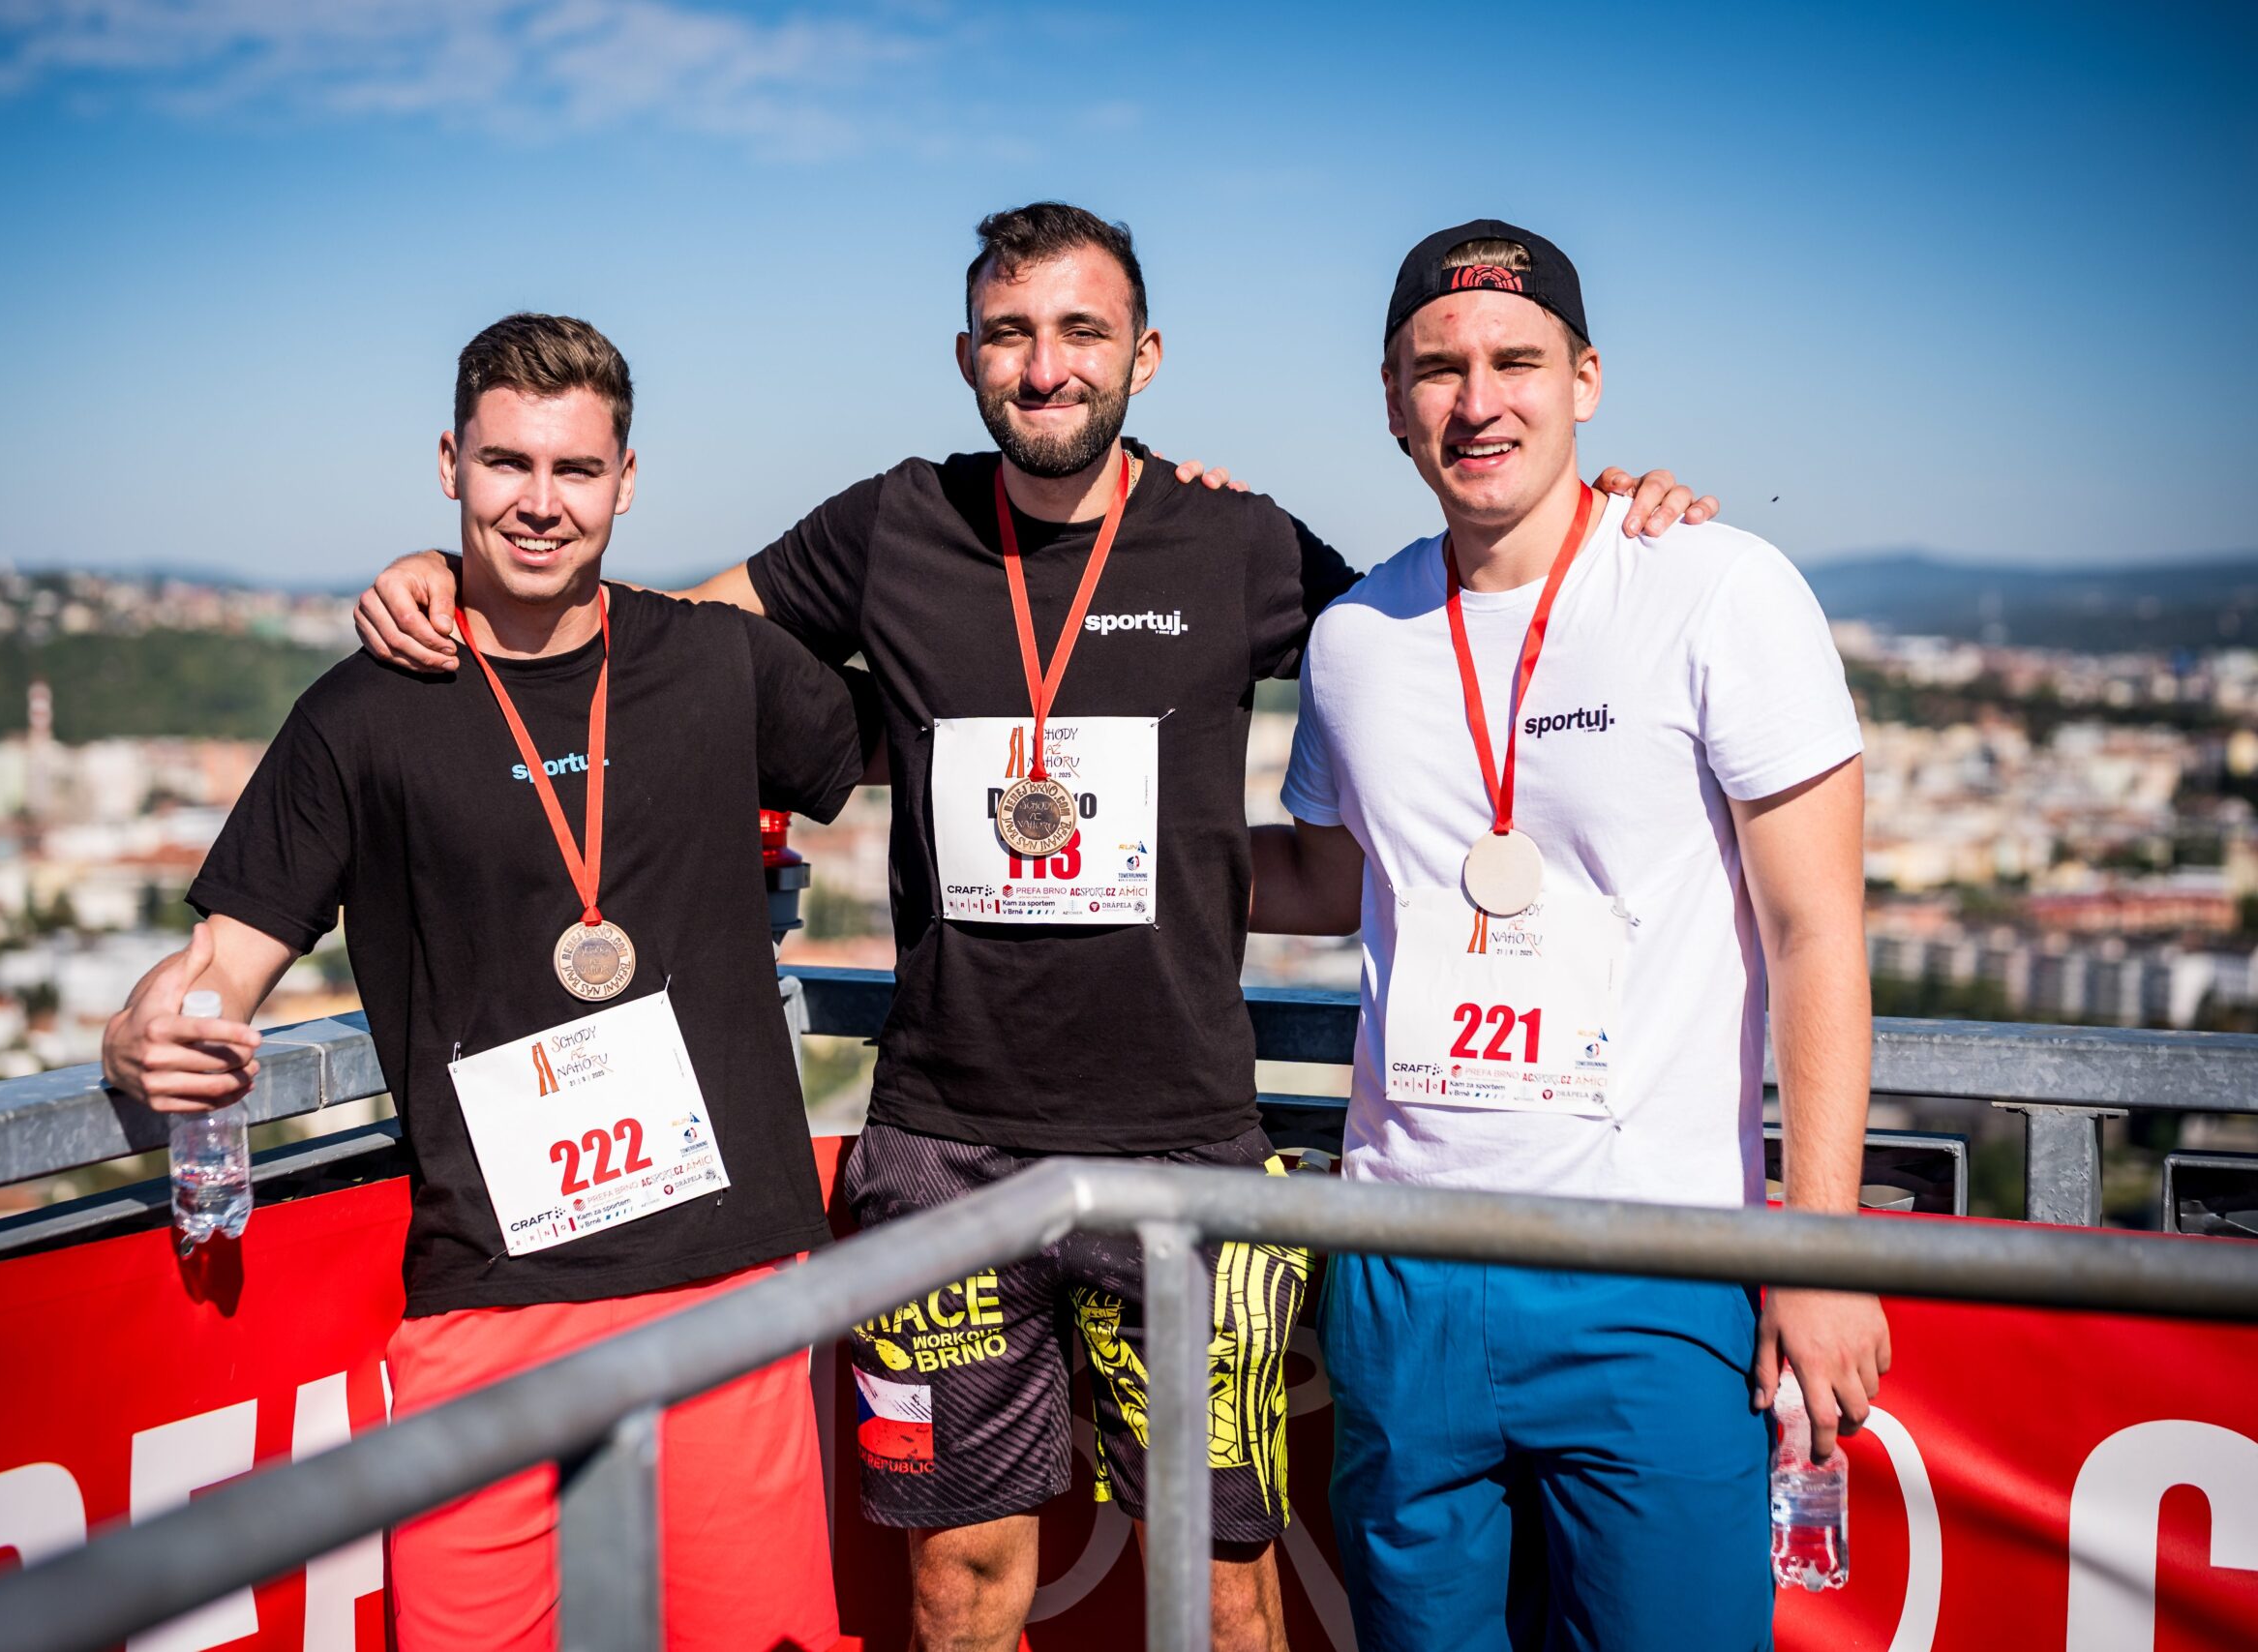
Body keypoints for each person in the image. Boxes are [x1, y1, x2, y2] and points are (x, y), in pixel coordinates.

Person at [349, 204, 1718, 1652]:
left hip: (1184, 1151)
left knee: (1222, 1586)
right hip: (946, 1144)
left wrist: (1615, 515)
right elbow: (645, 645)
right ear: (967, 356)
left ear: (1145, 355)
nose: (1046, 365)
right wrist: (459, 581)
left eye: (1081, 332)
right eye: (1009, 333)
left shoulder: (1237, 541)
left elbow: (1453, 621)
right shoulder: (889, 525)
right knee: (959, 1587)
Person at [104, 313, 873, 1652]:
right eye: (508, 463)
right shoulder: (360, 715)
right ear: (450, 463)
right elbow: (221, 964)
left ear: (627, 481)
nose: (540, 502)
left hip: (729, 1277)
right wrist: (138, 1035)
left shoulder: (719, 664)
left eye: (576, 470)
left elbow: (938, 707)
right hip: (489, 1291)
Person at [1250, 220, 1887, 1650]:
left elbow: (1817, 932)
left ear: (1586, 379)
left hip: (1649, 1269)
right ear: (1392, 397)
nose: (1478, 402)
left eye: (1517, 362)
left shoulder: (1719, 587)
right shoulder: (1354, 635)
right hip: (1401, 1264)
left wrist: (1824, 1250)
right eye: (1439, 370)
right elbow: (1326, 880)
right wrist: (1098, 854)